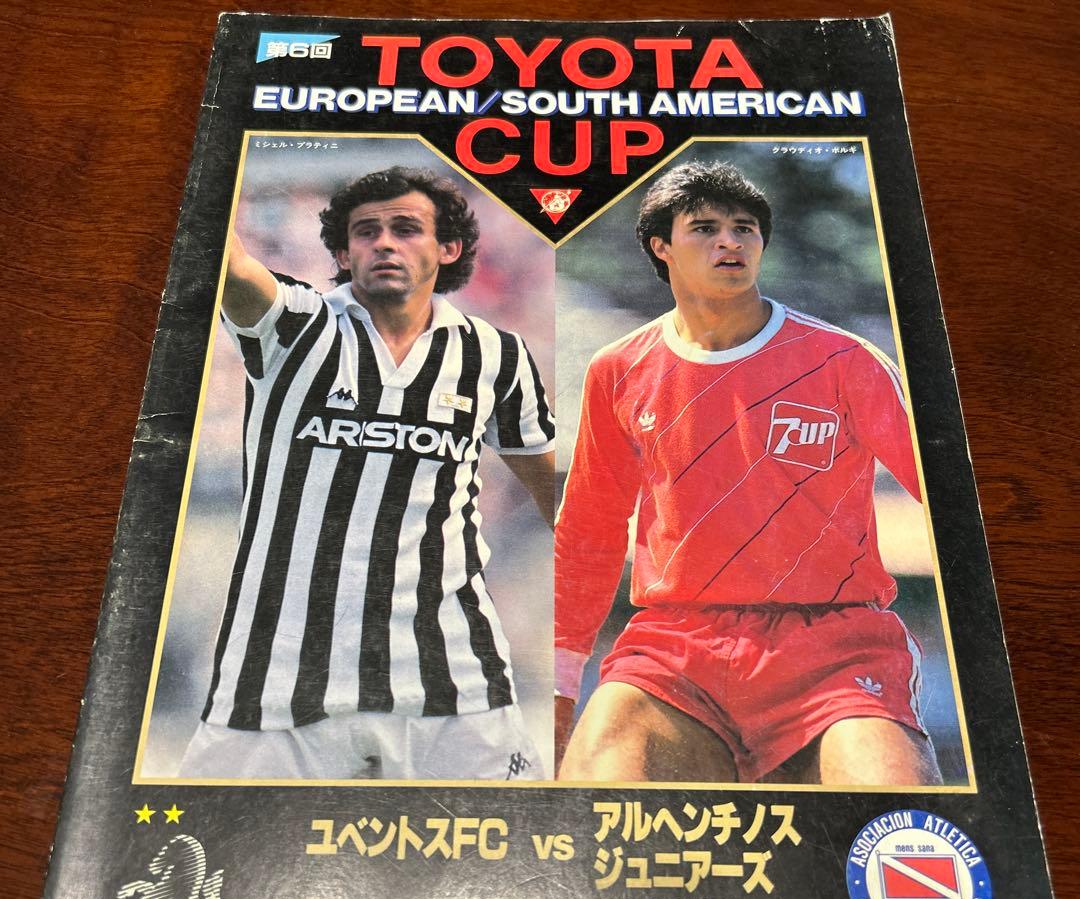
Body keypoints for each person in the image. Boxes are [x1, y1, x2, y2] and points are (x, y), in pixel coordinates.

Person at [554, 161, 942, 785]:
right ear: (661, 247)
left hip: (835, 647)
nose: (729, 241)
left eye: (744, 228)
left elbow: (955, 500)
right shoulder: (618, 368)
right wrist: (561, 679)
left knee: (891, 816)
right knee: (590, 804)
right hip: (676, 648)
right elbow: (589, 530)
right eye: (705, 228)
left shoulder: (845, 360)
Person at [179, 166, 555, 780]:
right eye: (365, 231)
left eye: (406, 229)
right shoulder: (295, 326)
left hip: (452, 684)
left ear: (449, 248)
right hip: (276, 687)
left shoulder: (496, 355)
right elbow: (233, 268)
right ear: (341, 253)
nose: (383, 243)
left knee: (515, 838)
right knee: (198, 837)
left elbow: (554, 495)